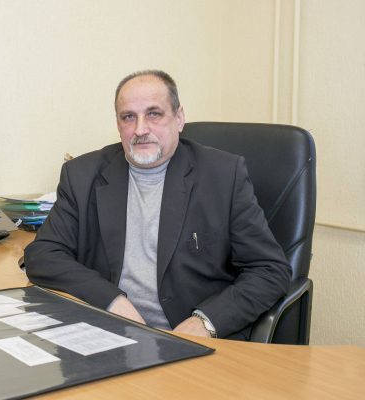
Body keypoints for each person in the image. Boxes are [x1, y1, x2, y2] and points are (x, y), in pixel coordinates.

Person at [24, 70, 291, 340]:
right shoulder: (82, 175)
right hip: (108, 333)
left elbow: (270, 270)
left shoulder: (223, 175)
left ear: (179, 118)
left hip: (191, 339)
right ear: (118, 124)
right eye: (129, 117)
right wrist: (111, 301)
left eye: (154, 114)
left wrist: (205, 322)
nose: (140, 130)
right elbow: (43, 254)